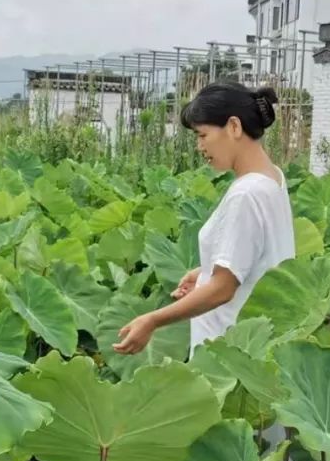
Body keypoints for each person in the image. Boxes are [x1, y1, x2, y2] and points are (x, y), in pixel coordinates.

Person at [113, 82, 296, 356]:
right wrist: (206, 272)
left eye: (202, 135)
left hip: (228, 351)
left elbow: (223, 289)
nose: (199, 146)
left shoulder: (246, 194)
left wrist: (153, 320)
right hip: (254, 348)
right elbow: (258, 256)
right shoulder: (272, 178)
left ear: (234, 127)